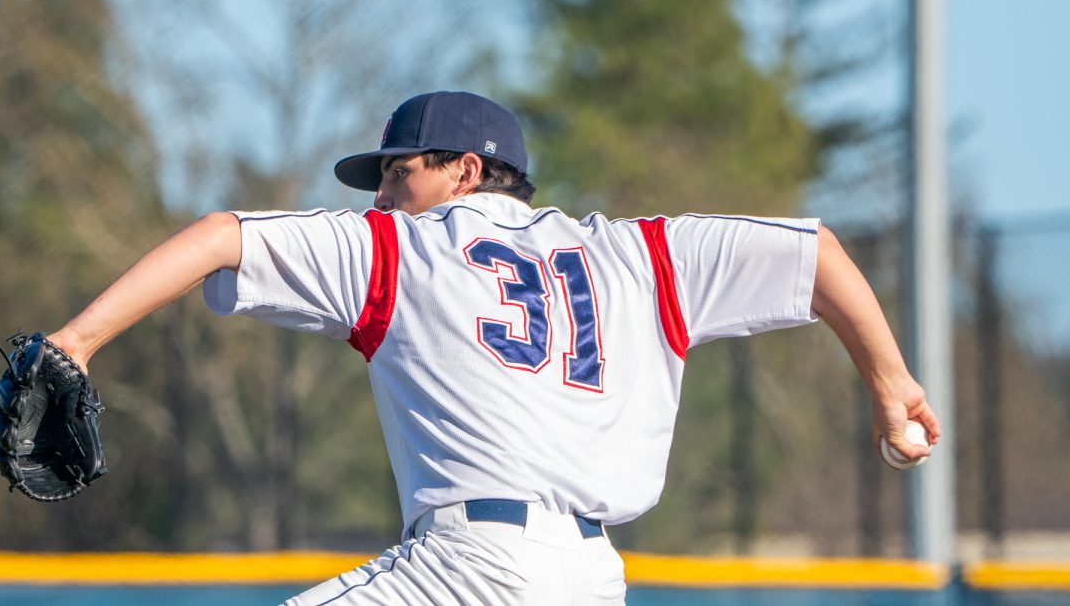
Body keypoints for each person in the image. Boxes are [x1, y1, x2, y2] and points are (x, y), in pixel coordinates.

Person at [46, 90, 940, 605]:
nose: (382, 196)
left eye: (399, 171)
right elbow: (812, 252)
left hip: (473, 568)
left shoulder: (403, 247)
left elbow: (220, 235)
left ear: (465, 172)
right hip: (592, 579)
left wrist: (77, 340)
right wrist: (890, 382)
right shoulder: (638, 253)